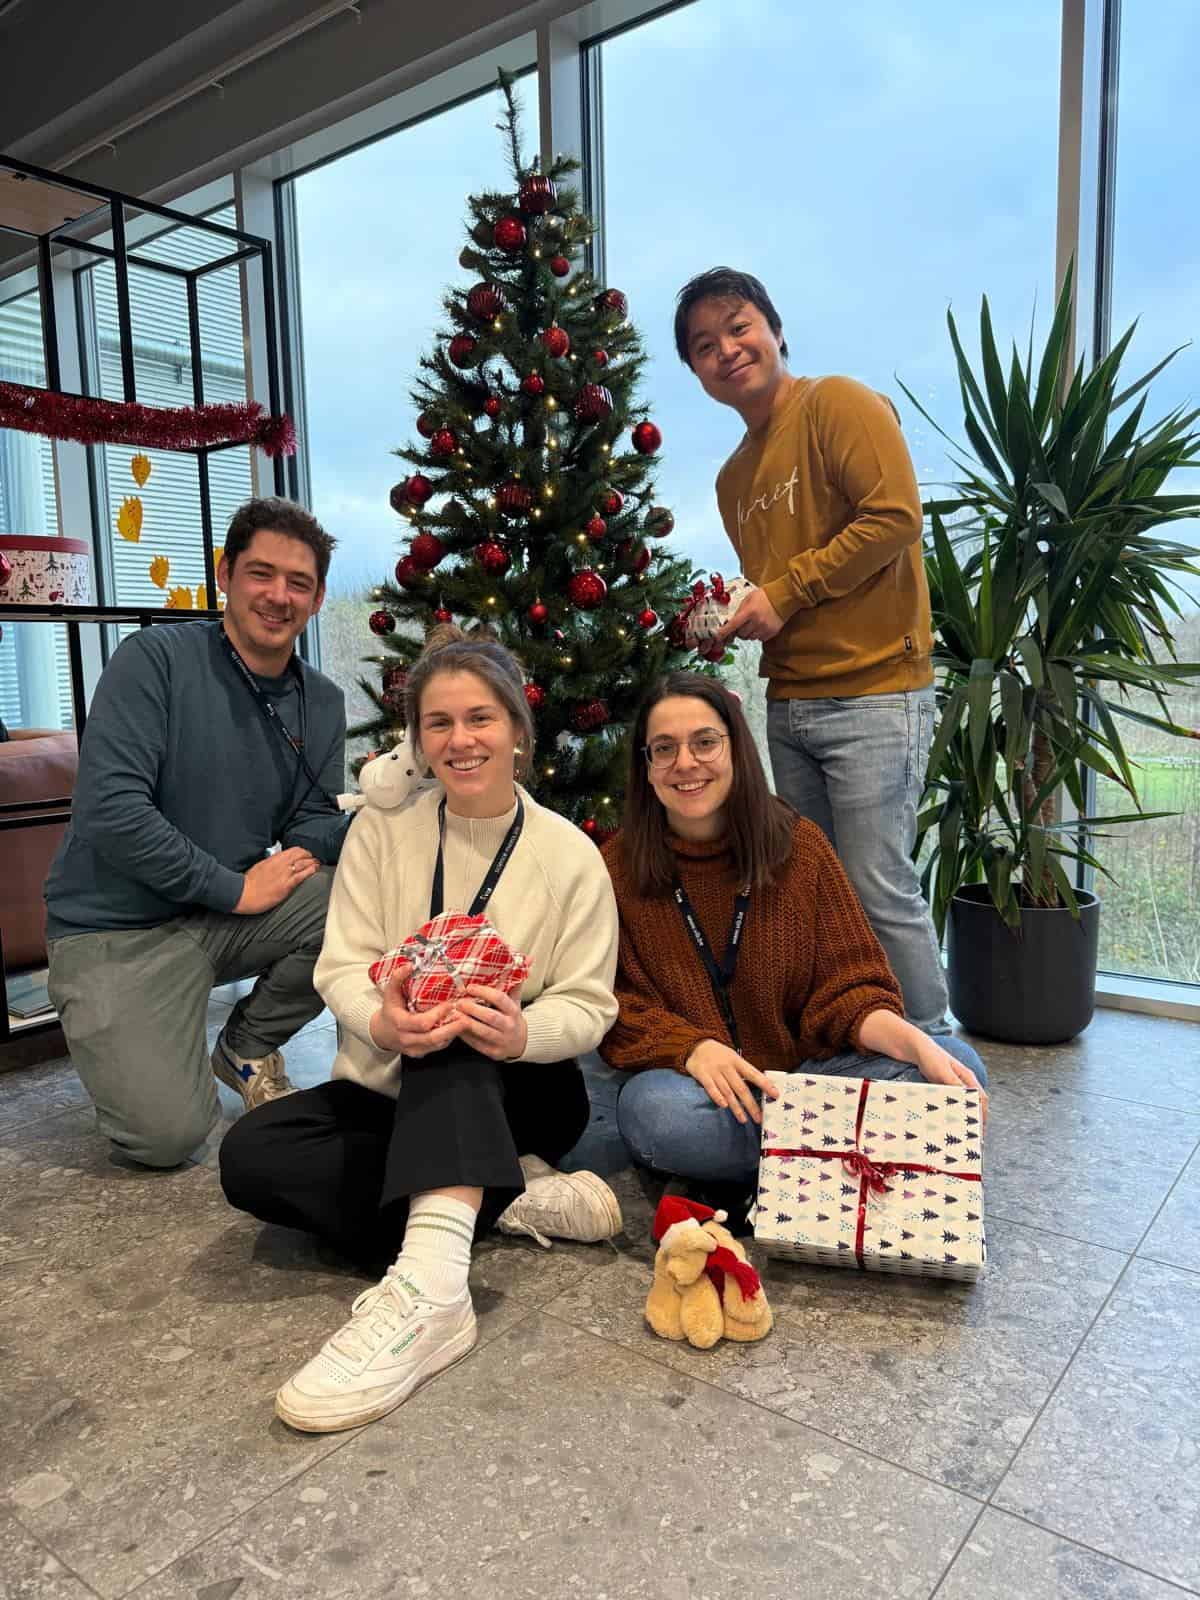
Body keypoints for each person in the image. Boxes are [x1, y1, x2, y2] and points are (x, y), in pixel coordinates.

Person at [219, 626, 623, 1434]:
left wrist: (518, 1031)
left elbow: (590, 1005)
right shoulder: (381, 832)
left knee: (459, 1029)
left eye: (480, 718)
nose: (460, 740)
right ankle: (501, 1196)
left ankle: (430, 1300)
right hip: (391, 1085)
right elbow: (340, 966)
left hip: (522, 1089)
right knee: (250, 1158)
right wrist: (381, 1017)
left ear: (518, 730)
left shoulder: (570, 855)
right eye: (438, 723)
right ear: (416, 741)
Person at [600, 672, 987, 1219]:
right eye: (664, 749)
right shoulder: (617, 867)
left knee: (956, 1063)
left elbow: (850, 986)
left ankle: (752, 1176)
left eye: (705, 742)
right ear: (647, 767)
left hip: (807, 1081)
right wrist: (689, 1047)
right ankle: (834, 1161)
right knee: (653, 1115)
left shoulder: (798, 846)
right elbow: (615, 1005)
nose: (685, 762)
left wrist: (915, 1041)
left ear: (736, 748)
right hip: (704, 1095)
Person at [674, 266, 949, 1034]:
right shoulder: (733, 479)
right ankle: (848, 1037)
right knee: (812, 889)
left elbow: (893, 519)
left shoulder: (838, 403)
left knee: (876, 883)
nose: (727, 350)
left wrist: (782, 593)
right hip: (792, 703)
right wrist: (732, 613)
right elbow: (775, 587)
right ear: (695, 372)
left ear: (775, 328)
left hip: (876, 693)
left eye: (738, 327)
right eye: (704, 346)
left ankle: (940, 1061)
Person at [44, 497, 348, 1168]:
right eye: (260, 573)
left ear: (319, 597)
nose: (278, 595)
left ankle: (246, 1045)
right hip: (114, 933)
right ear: (225, 573)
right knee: (166, 1139)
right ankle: (118, 1032)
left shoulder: (320, 701)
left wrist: (380, 823)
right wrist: (232, 887)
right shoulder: (153, 660)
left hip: (220, 917)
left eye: (298, 582)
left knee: (352, 896)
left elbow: (308, 822)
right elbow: (111, 811)